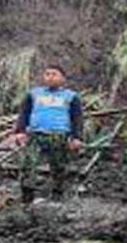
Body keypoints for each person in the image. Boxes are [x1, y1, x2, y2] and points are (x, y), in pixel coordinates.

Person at [14, 65, 84, 202]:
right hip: (35, 135)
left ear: (63, 78)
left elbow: (77, 118)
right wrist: (20, 131)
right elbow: (24, 113)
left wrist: (76, 137)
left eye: (54, 74)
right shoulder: (34, 94)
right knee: (28, 164)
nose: (50, 77)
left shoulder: (71, 96)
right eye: (47, 74)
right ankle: (27, 197)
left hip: (58, 136)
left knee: (59, 166)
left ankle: (57, 195)